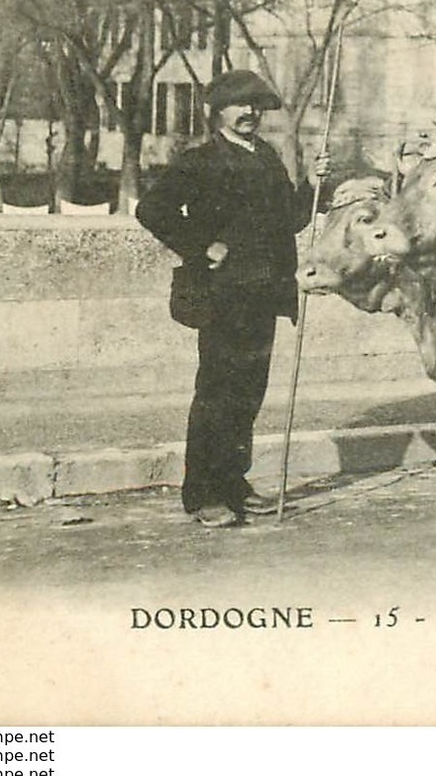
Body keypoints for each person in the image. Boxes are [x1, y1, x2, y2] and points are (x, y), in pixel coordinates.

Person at [137, 69, 331, 526]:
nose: (249, 113)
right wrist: (202, 245)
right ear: (217, 111)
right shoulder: (200, 159)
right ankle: (203, 493)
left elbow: (292, 220)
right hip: (222, 296)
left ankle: (233, 484)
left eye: (256, 105)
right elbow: (151, 209)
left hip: (264, 294)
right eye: (239, 104)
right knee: (217, 394)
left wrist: (314, 186)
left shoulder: (265, 156)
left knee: (247, 395)